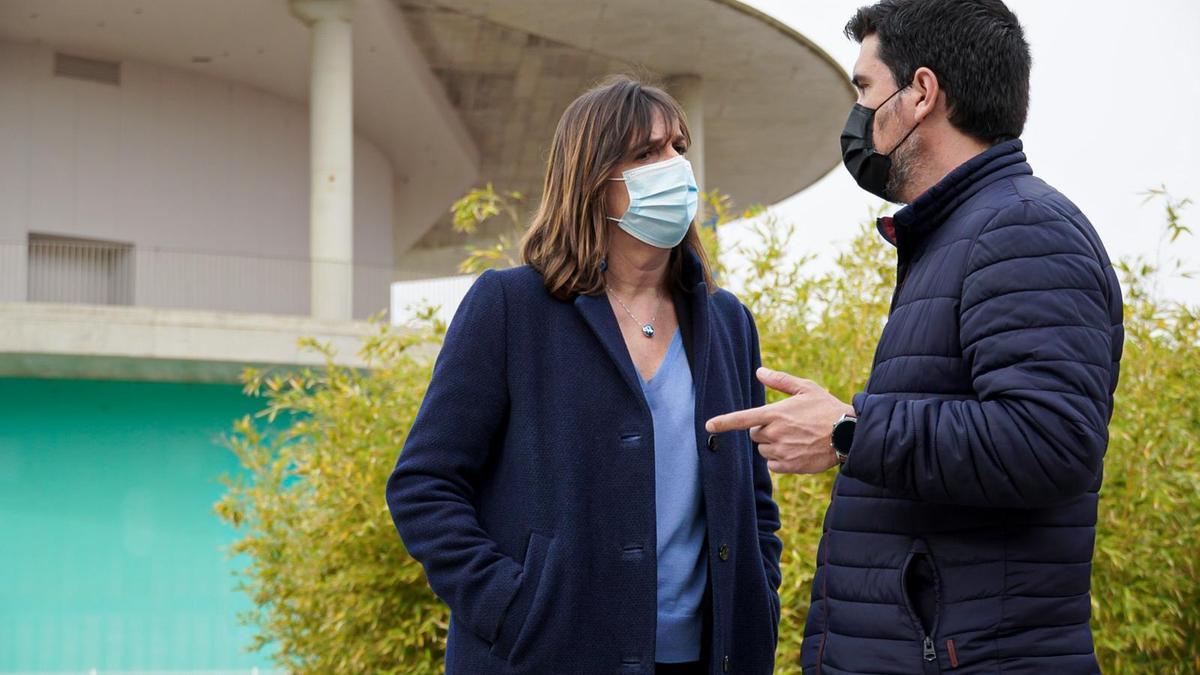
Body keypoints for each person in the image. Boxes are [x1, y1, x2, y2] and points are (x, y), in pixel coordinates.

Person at [706, 1, 1123, 673]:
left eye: (865, 89)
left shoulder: (1021, 229)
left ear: (922, 93)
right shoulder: (961, 237)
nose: (858, 118)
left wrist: (849, 429)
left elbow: (1050, 441)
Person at [386, 75, 782, 675]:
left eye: (678, 146)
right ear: (595, 183)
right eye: (647, 152)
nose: (674, 165)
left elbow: (752, 498)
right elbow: (424, 485)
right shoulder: (511, 307)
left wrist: (762, 599)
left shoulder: (726, 322)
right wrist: (510, 608)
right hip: (548, 656)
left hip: (705, 658)